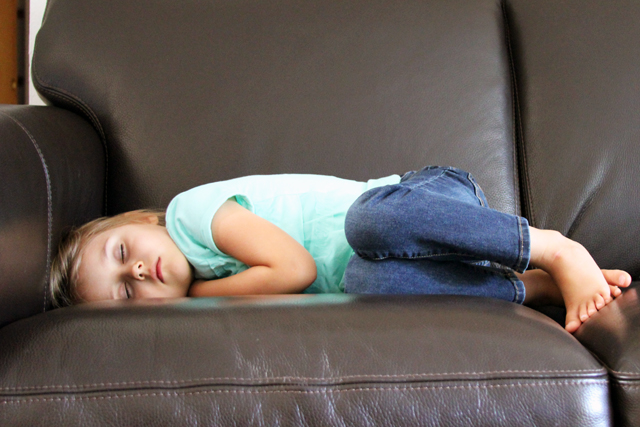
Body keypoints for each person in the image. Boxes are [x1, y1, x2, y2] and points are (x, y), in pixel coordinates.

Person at [49, 166, 631, 333]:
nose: (139, 272)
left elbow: (294, 269)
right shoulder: (207, 306)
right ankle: (533, 291)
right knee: (364, 285)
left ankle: (551, 250)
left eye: (123, 251)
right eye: (127, 292)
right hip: (410, 266)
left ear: (142, 221)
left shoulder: (189, 215)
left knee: (366, 223)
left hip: (423, 207)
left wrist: (196, 294)